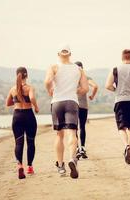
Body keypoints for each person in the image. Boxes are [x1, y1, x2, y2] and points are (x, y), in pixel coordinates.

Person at [44, 45, 89, 179]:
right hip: (72, 102)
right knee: (72, 132)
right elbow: (85, 88)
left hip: (57, 102)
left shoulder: (54, 67)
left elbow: (47, 81)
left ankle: (61, 166)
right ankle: (72, 159)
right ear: (70, 54)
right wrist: (74, 92)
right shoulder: (78, 69)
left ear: (58, 54)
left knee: (59, 135)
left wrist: (50, 91)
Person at [6, 67, 39, 179]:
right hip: (29, 115)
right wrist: (36, 107)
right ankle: (29, 167)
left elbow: (8, 103)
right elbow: (32, 98)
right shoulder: (30, 88)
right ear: (27, 75)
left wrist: (17, 100)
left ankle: (20, 165)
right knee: (30, 142)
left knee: (18, 143)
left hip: (17, 116)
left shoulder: (12, 89)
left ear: (17, 75)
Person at [75, 61, 99, 159]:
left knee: (74, 128)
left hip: (73, 105)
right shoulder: (86, 78)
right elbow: (96, 86)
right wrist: (92, 96)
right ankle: (83, 148)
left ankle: (76, 149)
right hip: (83, 106)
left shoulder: (72, 78)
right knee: (82, 127)